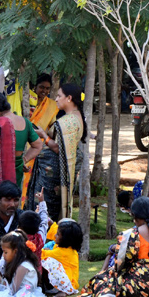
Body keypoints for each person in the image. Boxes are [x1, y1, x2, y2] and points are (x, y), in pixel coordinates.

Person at [33, 82, 85, 220]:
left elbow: (58, 149)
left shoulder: (69, 122)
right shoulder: (76, 117)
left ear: (69, 98)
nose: (55, 99)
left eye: (59, 96)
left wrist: (44, 135)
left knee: (46, 210)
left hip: (52, 176)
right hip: (53, 174)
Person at [0, 92, 40, 192]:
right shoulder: (25, 122)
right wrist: (24, 160)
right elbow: (38, 145)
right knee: (11, 200)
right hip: (17, 168)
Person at [41, 218, 84, 296]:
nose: (55, 236)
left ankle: (64, 291)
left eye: (57, 234)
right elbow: (56, 231)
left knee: (47, 261)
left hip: (69, 285)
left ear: (65, 238)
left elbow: (42, 254)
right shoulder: (68, 246)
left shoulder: (62, 252)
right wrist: (51, 223)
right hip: (70, 283)